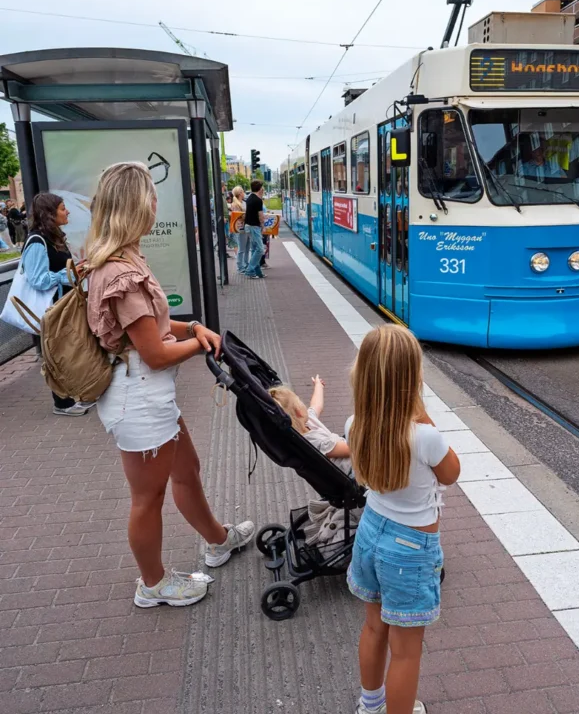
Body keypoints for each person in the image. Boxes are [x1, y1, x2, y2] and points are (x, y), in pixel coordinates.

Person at [86, 162, 254, 609]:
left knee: (188, 469)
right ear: (137, 205)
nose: (157, 205)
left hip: (149, 393)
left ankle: (218, 541)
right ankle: (153, 584)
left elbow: (155, 326)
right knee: (148, 497)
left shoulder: (123, 259)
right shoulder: (120, 273)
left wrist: (194, 326)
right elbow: (154, 352)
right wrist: (200, 343)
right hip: (138, 397)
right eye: (152, 198)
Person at [346, 325, 460, 714]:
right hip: (411, 549)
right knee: (407, 650)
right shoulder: (425, 436)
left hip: (372, 531)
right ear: (412, 381)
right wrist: (425, 417)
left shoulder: (356, 425)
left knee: (374, 628)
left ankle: (371, 708)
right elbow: (451, 474)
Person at [22, 192, 94, 416]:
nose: (68, 211)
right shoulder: (37, 241)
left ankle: (73, 396)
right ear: (50, 214)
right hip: (50, 309)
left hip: (61, 305)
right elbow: (37, 279)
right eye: (63, 208)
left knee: (67, 351)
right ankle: (61, 402)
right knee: (57, 353)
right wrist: (68, 274)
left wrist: (76, 269)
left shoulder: (53, 238)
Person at [269, 374, 353, 476]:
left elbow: (316, 404)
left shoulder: (307, 422)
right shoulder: (314, 442)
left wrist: (318, 386)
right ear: (299, 411)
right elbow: (353, 450)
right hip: (354, 468)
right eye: (299, 400)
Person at [243, 180, 266, 279]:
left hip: (248, 226)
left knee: (254, 249)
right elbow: (260, 216)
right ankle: (249, 270)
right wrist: (263, 226)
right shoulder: (258, 200)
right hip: (254, 227)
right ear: (260, 188)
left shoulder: (249, 198)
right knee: (260, 249)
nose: (263, 189)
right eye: (262, 187)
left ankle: (258, 272)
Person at [230, 186, 248, 271]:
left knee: (247, 247)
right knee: (242, 248)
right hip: (240, 228)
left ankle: (245, 264)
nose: (244, 193)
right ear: (240, 193)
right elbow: (238, 216)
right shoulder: (235, 204)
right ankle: (240, 266)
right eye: (243, 191)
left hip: (246, 226)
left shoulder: (244, 203)